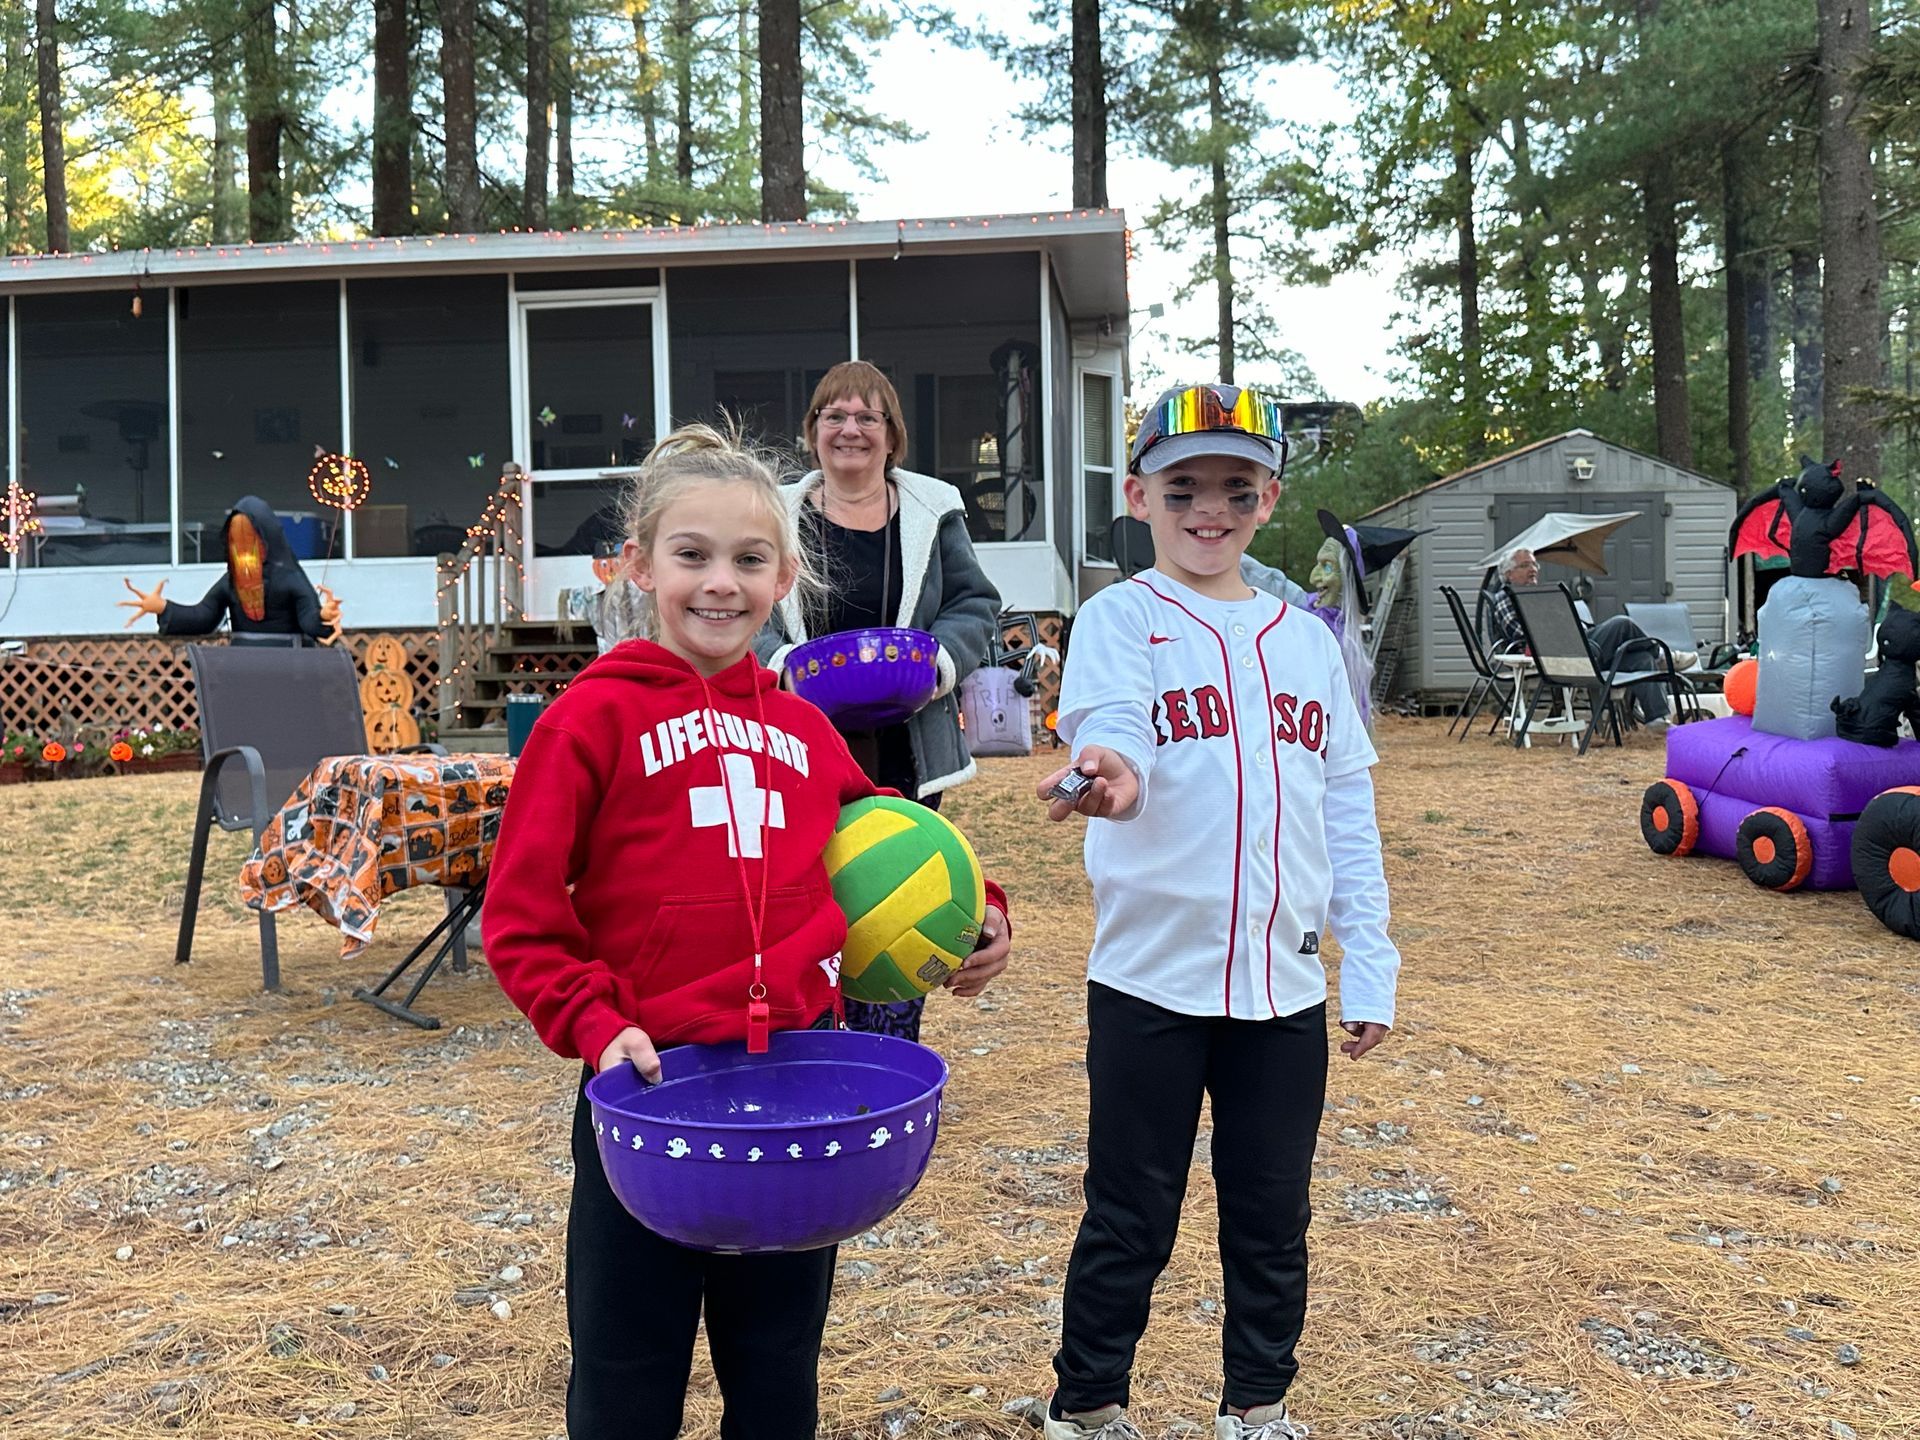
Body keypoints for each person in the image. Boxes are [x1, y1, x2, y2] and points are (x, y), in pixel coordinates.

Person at [481, 424, 1012, 1440]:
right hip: (651, 1096)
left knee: (776, 1379)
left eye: (749, 559)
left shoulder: (807, 729)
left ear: (784, 578)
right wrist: (592, 1021)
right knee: (625, 1382)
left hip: (799, 1102)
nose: (720, 583)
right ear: (638, 564)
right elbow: (522, 911)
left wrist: (980, 911)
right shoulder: (590, 720)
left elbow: (894, 839)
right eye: (692, 556)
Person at [1034, 383, 1400, 1440]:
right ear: (1141, 492)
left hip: (1282, 987)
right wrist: (1108, 775)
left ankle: (1259, 1406)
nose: (1210, 509)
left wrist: (1365, 961)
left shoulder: (1308, 641)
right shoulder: (1122, 617)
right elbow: (1112, 731)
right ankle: (1090, 1407)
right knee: (1130, 1215)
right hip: (1150, 978)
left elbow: (1346, 805)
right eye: (1184, 485)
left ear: (1270, 497)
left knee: (1273, 1217)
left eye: (1236, 488)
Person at [755, 360, 1005, 1042]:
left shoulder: (934, 509)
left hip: (906, 747)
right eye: (835, 415)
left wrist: (942, 664)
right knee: (803, 894)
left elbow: (975, 602)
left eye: (868, 416)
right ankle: (810, 1049)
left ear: (892, 435)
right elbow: (749, 607)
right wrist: (778, 666)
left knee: (897, 893)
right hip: (798, 741)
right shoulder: (770, 513)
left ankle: (887, 1053)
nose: (851, 429)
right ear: (812, 433)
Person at [1487, 549, 1690, 725]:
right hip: (1565, 653)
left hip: (1582, 646)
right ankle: (1662, 657)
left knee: (1641, 659)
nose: (1533, 569)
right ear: (1509, 574)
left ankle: (1657, 719)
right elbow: (1522, 633)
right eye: (1524, 565)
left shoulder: (1539, 595)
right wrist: (1563, 630)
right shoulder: (1506, 598)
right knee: (1622, 624)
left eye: (1534, 564)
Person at [118, 496, 341, 643]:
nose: (244, 550)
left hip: (290, 668)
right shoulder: (231, 582)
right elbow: (204, 616)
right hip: (243, 668)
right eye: (237, 543)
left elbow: (308, 619)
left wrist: (324, 616)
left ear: (267, 539)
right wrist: (164, 607)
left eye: (249, 541)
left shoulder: (289, 578)